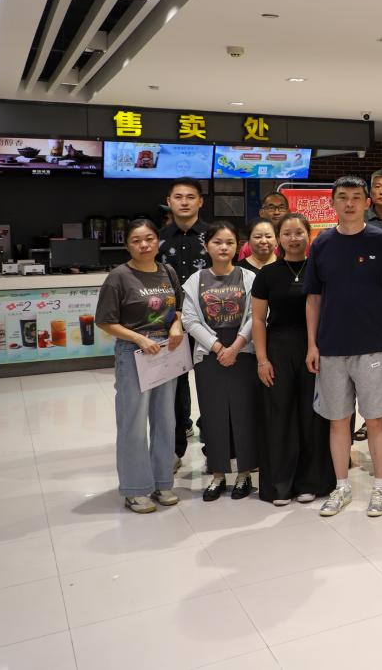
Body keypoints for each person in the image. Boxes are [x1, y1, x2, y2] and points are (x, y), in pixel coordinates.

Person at [305, 176, 382, 519]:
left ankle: (379, 488)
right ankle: (341, 486)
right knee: (339, 421)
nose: (349, 203)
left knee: (376, 420)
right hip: (331, 346)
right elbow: (313, 299)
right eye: (342, 197)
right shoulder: (321, 243)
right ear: (332, 203)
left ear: (367, 202)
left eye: (355, 197)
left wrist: (371, 314)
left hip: (372, 346)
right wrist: (312, 344)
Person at [95, 219, 185, 513]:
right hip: (134, 352)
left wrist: (176, 325)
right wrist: (138, 338)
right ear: (127, 245)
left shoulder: (167, 271)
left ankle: (162, 482)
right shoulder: (118, 277)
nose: (144, 245)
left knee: (165, 420)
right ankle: (135, 489)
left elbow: (178, 307)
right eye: (136, 240)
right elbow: (105, 321)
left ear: (158, 241)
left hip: (166, 352)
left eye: (149, 239)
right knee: (133, 423)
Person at [251, 213, 335, 506]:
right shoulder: (267, 274)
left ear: (309, 235)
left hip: (316, 347)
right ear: (279, 238)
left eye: (299, 232)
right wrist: (262, 359)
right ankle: (280, 485)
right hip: (278, 347)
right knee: (280, 414)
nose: (293, 238)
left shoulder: (320, 270)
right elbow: (258, 319)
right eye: (286, 233)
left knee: (313, 415)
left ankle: (311, 482)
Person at [182, 223, 259, 501]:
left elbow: (256, 315)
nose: (224, 247)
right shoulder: (195, 280)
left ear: (237, 247)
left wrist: (236, 346)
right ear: (207, 246)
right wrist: (217, 347)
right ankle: (217, 474)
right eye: (217, 242)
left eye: (229, 242)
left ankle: (244, 473)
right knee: (213, 415)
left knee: (244, 413)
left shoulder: (249, 277)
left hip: (243, 352)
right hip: (209, 355)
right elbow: (189, 320)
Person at [157, 178, 209, 465]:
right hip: (169, 324)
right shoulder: (158, 238)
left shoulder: (214, 235)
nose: (185, 202)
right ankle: (174, 450)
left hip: (210, 323)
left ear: (200, 201)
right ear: (170, 201)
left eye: (191, 196)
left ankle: (215, 445)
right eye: (178, 197)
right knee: (173, 388)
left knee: (212, 383)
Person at [236, 194, 289, 260]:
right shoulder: (249, 247)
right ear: (261, 213)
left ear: (288, 212)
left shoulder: (294, 243)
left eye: (281, 208)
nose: (276, 212)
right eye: (271, 208)